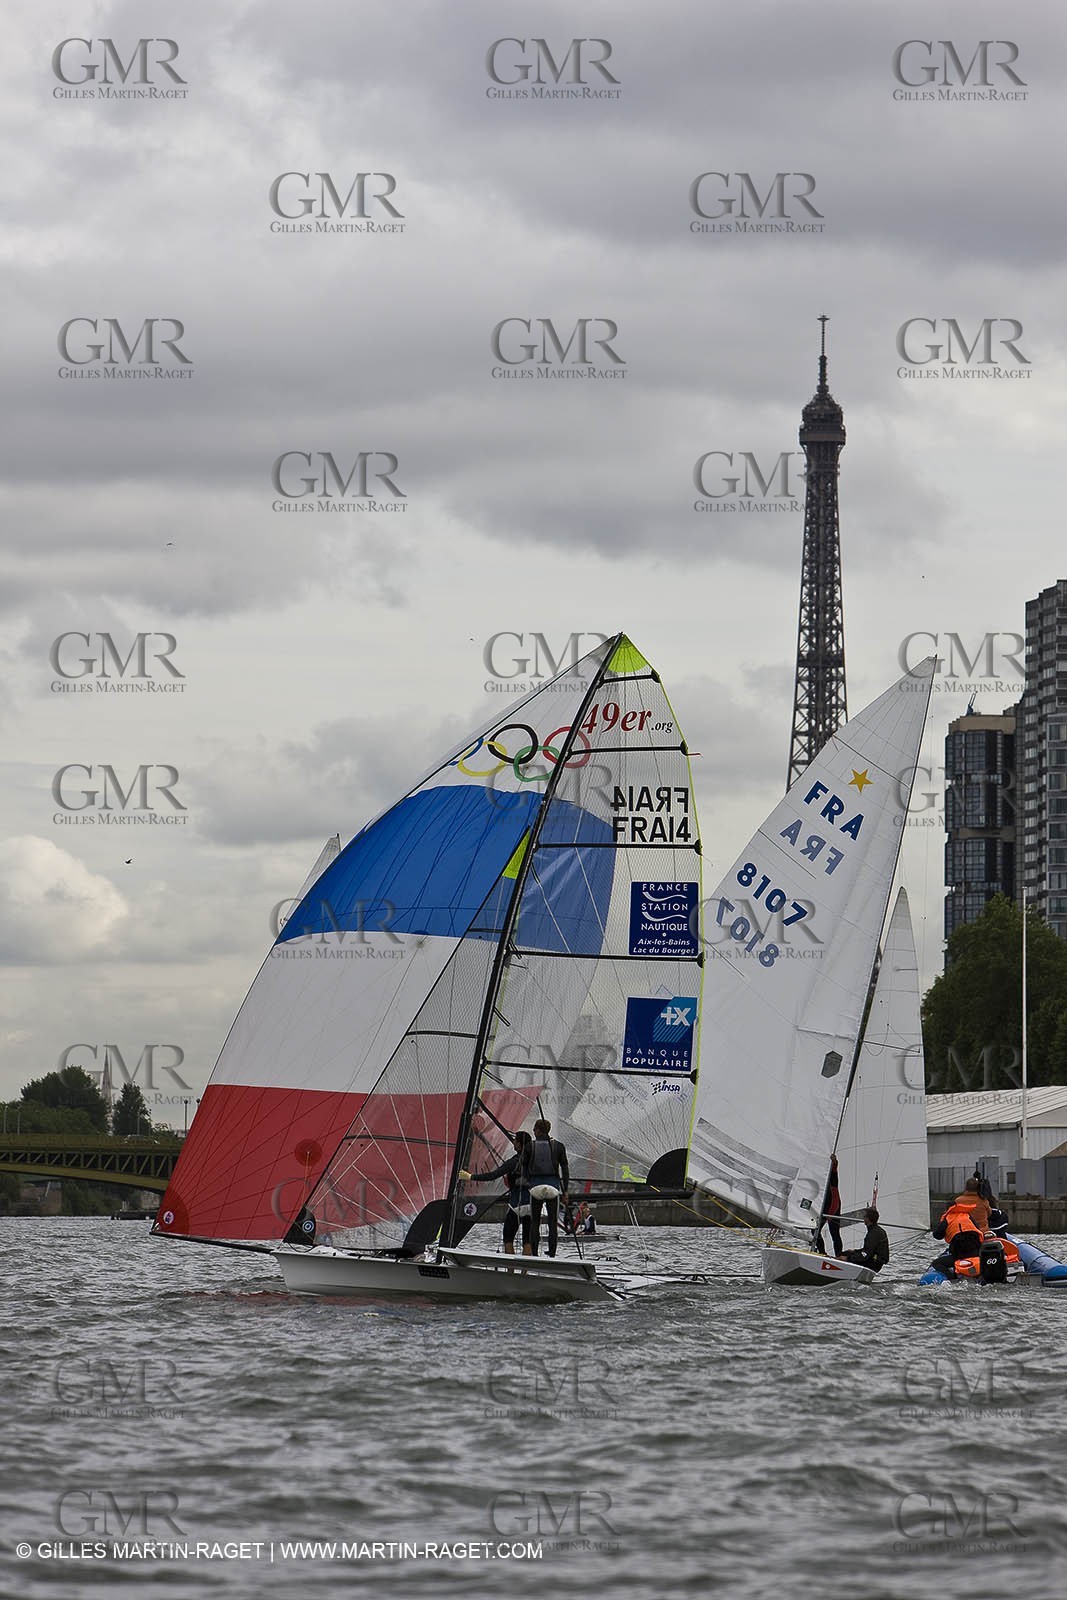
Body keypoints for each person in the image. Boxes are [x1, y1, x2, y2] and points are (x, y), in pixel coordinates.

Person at [463, 1131, 533, 1254]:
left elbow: (493, 1175)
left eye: (516, 1141)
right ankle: (525, 1272)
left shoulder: (513, 1162)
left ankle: (510, 1271)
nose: (514, 1143)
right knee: (527, 1240)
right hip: (532, 1205)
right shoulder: (534, 1161)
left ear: (520, 1145)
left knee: (508, 1238)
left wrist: (470, 1177)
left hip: (516, 1204)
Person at [523, 1118, 569, 1257]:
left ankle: (535, 1254)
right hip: (553, 1188)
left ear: (538, 1130)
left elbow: (523, 1167)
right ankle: (552, 1254)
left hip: (536, 1187)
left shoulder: (530, 1146)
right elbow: (565, 1170)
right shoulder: (559, 1146)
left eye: (534, 1129)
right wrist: (565, 1190)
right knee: (552, 1223)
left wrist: (528, 1183)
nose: (533, 1132)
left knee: (535, 1222)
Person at [841, 1207, 890, 1272]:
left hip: (873, 1264)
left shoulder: (873, 1234)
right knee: (847, 1253)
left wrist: (848, 1258)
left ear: (868, 1219)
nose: (863, 1218)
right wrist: (855, 1251)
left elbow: (866, 1255)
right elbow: (870, 1250)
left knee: (845, 1256)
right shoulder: (876, 1230)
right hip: (874, 1260)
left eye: (864, 1217)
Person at [815, 1154, 843, 1258]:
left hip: (833, 1206)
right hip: (824, 1208)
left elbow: (835, 1167)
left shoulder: (831, 1175)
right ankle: (822, 1253)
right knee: (814, 1231)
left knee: (834, 1233)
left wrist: (834, 1162)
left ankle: (839, 1256)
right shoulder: (819, 1179)